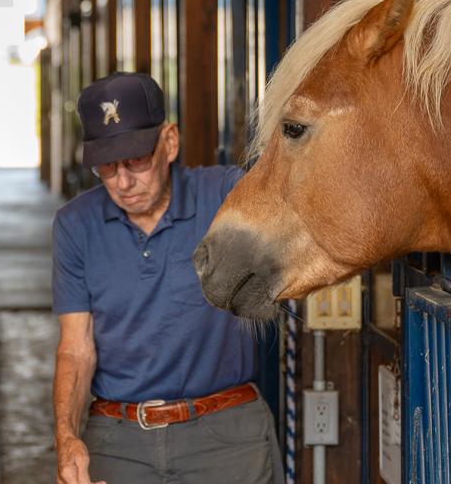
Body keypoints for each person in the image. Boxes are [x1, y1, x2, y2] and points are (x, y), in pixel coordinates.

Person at [52, 72, 284, 484]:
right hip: (118, 438)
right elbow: (76, 348)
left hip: (226, 435)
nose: (124, 183)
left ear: (170, 142)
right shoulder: (75, 225)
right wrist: (67, 438)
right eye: (107, 167)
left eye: (137, 160)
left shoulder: (227, 196)